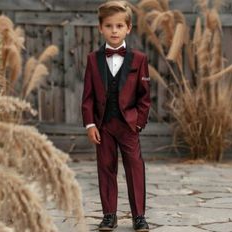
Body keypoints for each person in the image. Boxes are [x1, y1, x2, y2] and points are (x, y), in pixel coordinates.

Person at [81, 1, 151, 231]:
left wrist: (138, 124)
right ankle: (109, 215)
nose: (114, 30)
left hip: (128, 125)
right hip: (103, 126)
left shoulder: (139, 59)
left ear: (128, 28)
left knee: (134, 167)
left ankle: (138, 216)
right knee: (106, 168)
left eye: (119, 25)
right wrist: (90, 123)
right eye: (109, 26)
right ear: (100, 28)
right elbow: (88, 96)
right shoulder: (93, 59)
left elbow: (144, 97)